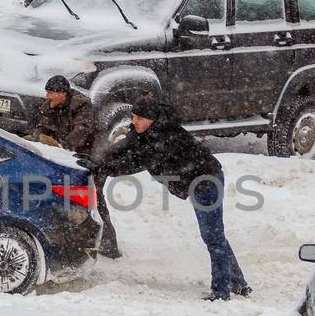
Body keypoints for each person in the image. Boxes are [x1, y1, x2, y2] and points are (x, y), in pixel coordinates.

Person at [86, 94, 250, 301]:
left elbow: (136, 161)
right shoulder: (142, 130)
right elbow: (125, 146)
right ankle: (238, 283)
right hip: (194, 181)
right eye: (133, 116)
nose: (134, 122)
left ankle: (221, 291)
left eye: (139, 118)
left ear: (152, 119)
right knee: (215, 236)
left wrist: (105, 168)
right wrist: (98, 159)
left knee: (213, 236)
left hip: (206, 181)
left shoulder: (166, 137)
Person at [32, 75, 119, 258]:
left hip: (93, 157)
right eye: (46, 92)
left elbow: (82, 130)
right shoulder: (50, 106)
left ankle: (109, 244)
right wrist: (37, 142)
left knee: (95, 198)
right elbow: (42, 128)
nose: (47, 96)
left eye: (51, 93)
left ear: (62, 94)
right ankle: (78, 238)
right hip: (72, 157)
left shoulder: (82, 105)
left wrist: (62, 147)